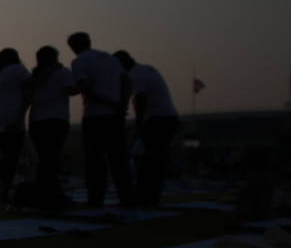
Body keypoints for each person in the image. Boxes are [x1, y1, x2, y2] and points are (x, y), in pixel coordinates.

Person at [66, 32, 132, 207]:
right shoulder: (111, 59)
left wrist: (69, 91)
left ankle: (96, 198)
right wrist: (122, 106)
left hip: (95, 115)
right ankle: (126, 197)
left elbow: (84, 88)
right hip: (115, 116)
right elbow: (126, 83)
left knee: (95, 160)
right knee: (118, 158)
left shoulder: (80, 61)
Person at [114, 50, 179, 205]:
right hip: (166, 117)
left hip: (157, 119)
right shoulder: (147, 69)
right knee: (154, 159)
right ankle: (150, 194)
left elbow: (140, 99)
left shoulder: (136, 75)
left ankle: (146, 195)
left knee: (147, 159)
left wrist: (138, 126)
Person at [26, 46, 74, 210]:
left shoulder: (34, 77)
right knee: (51, 160)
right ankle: (51, 195)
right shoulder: (62, 73)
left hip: (36, 122)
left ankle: (44, 193)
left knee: (44, 160)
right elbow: (71, 90)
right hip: (56, 120)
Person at [0, 48, 31, 203]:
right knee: (12, 157)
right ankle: (4, 189)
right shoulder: (18, 70)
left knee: (6, 155)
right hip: (13, 118)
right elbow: (30, 88)